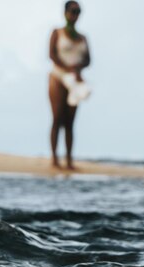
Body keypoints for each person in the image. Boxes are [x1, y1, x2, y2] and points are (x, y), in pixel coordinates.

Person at [49, 1, 91, 170]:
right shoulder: (57, 33)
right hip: (58, 78)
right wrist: (67, 69)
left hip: (75, 81)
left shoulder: (82, 38)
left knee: (70, 122)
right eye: (73, 11)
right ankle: (54, 159)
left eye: (78, 11)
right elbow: (52, 54)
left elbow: (88, 59)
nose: (75, 15)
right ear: (65, 13)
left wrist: (78, 70)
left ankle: (69, 160)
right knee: (57, 118)